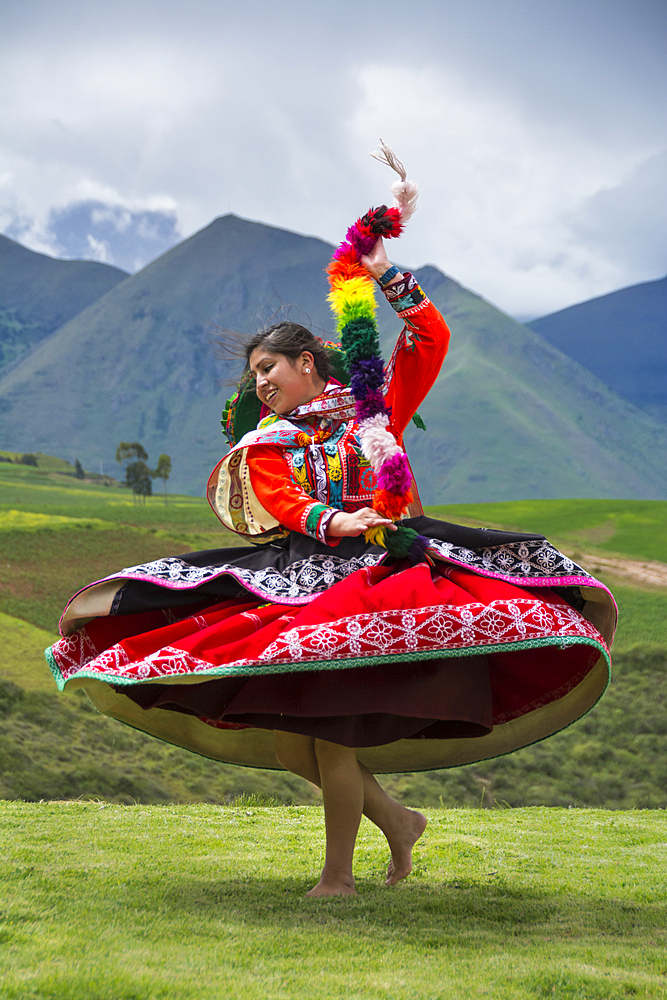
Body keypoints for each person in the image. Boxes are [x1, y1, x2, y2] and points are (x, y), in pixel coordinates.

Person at [47, 239, 615, 898]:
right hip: (304, 578)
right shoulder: (266, 445)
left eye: (269, 368)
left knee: (328, 737)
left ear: (306, 363)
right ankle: (398, 824)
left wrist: (382, 273)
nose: (260, 384)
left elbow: (428, 337)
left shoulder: (378, 408)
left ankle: (337, 878)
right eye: (255, 375)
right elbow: (287, 505)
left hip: (379, 578)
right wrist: (333, 521)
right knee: (296, 746)